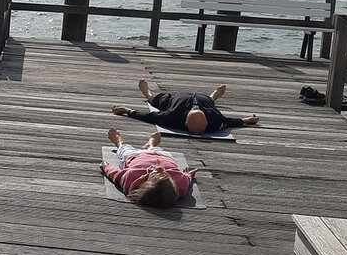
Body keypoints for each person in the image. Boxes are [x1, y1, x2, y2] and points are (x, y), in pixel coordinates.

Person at [111, 79, 259, 135]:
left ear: (186, 122)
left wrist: (126, 110)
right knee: (209, 102)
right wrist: (247, 120)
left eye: (195, 111)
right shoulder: (214, 118)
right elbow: (231, 121)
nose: (195, 108)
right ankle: (213, 95)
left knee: (156, 100)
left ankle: (147, 93)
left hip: (176, 100)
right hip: (203, 100)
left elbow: (148, 117)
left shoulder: (172, 117)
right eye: (197, 110)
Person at [101, 128, 197, 209]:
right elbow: (187, 178)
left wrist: (105, 167)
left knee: (125, 150)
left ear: (146, 184)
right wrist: (189, 174)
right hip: (163, 157)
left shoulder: (131, 178)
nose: (160, 169)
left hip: (135, 156)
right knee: (159, 150)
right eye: (166, 175)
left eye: (155, 174)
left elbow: (116, 175)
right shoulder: (180, 182)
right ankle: (151, 145)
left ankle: (119, 141)